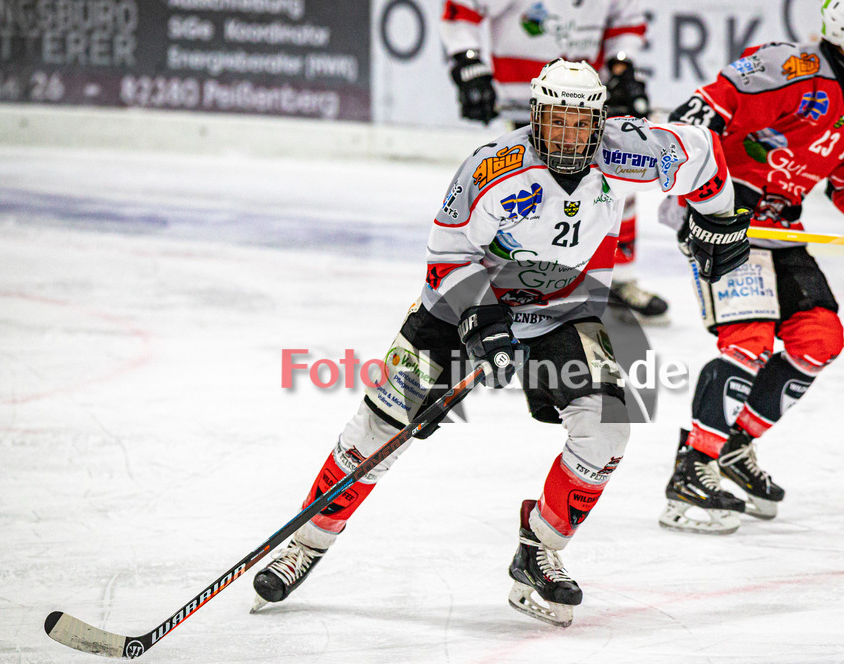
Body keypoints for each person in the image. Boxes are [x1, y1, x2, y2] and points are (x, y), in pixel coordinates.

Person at [251, 60, 750, 626]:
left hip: (565, 313)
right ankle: (306, 544)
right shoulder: (493, 166)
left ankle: (539, 551)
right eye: (556, 120)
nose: (568, 135)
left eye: (580, 123)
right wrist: (484, 321)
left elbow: (703, 152)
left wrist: (717, 221)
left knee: (608, 429)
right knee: (381, 426)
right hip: (457, 311)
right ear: (535, 116)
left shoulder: (627, 150)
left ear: (599, 122)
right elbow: (445, 256)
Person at [656, 0, 844, 534]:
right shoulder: (789, 67)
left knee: (819, 338)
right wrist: (703, 199)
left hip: (781, 227)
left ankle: (733, 446)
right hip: (724, 221)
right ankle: (691, 469)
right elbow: (695, 119)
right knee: (749, 342)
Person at [439, 0, 670, 323]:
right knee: (531, 190)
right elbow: (463, 8)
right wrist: (468, 61)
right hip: (529, 94)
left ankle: (617, 278)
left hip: (587, 97)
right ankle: (515, 282)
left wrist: (621, 65)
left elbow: (626, 19)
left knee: (613, 179)